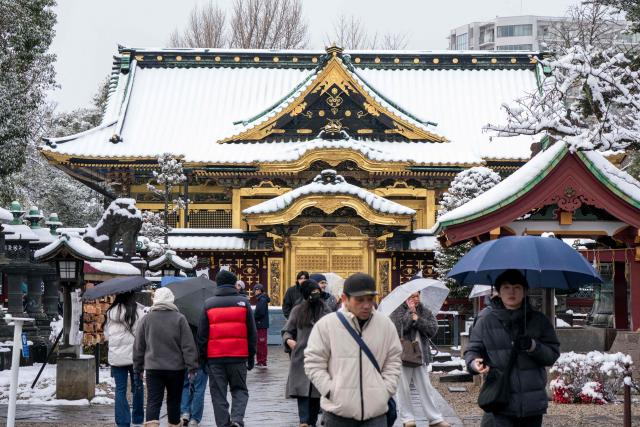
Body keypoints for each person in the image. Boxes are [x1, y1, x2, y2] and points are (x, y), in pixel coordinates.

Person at [464, 269, 560, 427]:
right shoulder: (486, 321)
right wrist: (474, 363)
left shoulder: (539, 320)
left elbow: (552, 355)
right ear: (498, 291)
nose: (511, 292)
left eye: (517, 287)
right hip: (501, 396)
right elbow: (472, 349)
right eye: (506, 287)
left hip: (532, 402)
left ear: (525, 291)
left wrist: (533, 346)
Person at [305, 273, 402, 427]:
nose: (366, 305)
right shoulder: (327, 325)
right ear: (344, 298)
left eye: (370, 299)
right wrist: (331, 391)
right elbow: (313, 363)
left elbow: (393, 360)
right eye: (359, 300)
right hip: (338, 414)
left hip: (376, 414)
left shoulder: (385, 325)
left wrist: (385, 391)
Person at [197, 269, 257, 427]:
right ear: (234, 283)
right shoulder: (244, 303)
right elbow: (252, 333)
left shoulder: (208, 304)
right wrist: (251, 356)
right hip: (238, 356)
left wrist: (202, 359)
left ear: (217, 283)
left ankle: (223, 424)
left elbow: (202, 336)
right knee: (240, 390)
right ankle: (237, 420)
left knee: (218, 394)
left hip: (215, 358)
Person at [133, 287, 199, 427]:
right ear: (171, 299)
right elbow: (188, 346)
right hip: (175, 369)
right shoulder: (180, 318)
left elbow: (139, 346)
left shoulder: (146, 319)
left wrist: (137, 368)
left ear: (155, 299)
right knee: (174, 400)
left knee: (153, 400)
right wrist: (192, 366)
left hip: (153, 368)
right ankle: (174, 424)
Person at [390, 292, 450, 427]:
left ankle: (435, 419)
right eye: (411, 296)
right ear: (404, 298)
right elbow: (396, 329)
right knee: (403, 388)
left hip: (421, 354)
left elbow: (433, 329)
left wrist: (418, 320)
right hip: (403, 355)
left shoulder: (425, 311)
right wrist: (409, 315)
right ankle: (407, 419)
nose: (415, 299)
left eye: (417, 296)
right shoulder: (397, 311)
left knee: (425, 388)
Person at [283, 279, 332, 427]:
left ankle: (310, 422)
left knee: (316, 393)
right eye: (312, 292)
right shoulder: (297, 310)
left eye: (317, 291)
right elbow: (287, 330)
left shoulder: (326, 311)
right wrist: (289, 341)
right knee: (302, 391)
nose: (315, 294)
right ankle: (303, 421)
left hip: (321, 356)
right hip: (301, 357)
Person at [104, 291, 146, 427]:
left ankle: (123, 422)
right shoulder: (138, 313)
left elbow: (106, 336)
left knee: (120, 389)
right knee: (138, 386)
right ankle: (138, 418)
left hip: (117, 358)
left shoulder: (110, 313)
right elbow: (143, 335)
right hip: (136, 357)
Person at [180, 324, 209, 427]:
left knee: (185, 386)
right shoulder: (203, 321)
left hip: (184, 359)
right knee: (199, 389)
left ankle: (185, 412)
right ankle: (194, 419)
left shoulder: (182, 320)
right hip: (200, 360)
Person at [253, 284, 271, 367]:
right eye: (255, 290)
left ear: (260, 291)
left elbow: (260, 312)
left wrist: (254, 317)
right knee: (260, 343)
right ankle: (260, 360)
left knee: (261, 343)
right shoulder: (261, 299)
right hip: (261, 324)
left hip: (261, 324)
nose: (255, 292)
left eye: (257, 290)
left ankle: (262, 361)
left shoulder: (262, 300)